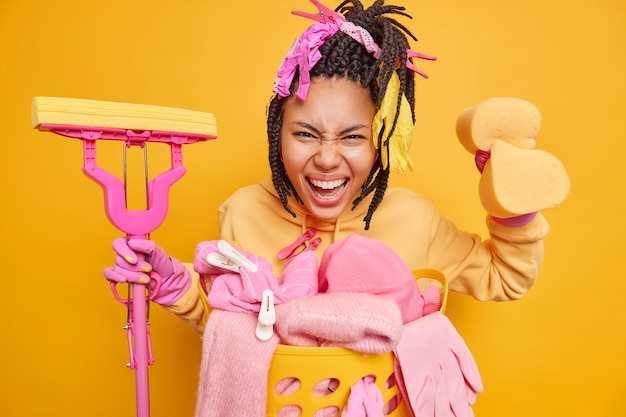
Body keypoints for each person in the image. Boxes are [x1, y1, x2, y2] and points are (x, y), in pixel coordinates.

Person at [104, 0, 549, 340]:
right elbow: (234, 330)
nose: (328, 159)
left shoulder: (415, 219)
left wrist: (513, 208)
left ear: (380, 144)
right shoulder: (244, 210)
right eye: (306, 134)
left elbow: (505, 277)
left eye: (353, 137)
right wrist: (175, 285)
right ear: (277, 134)